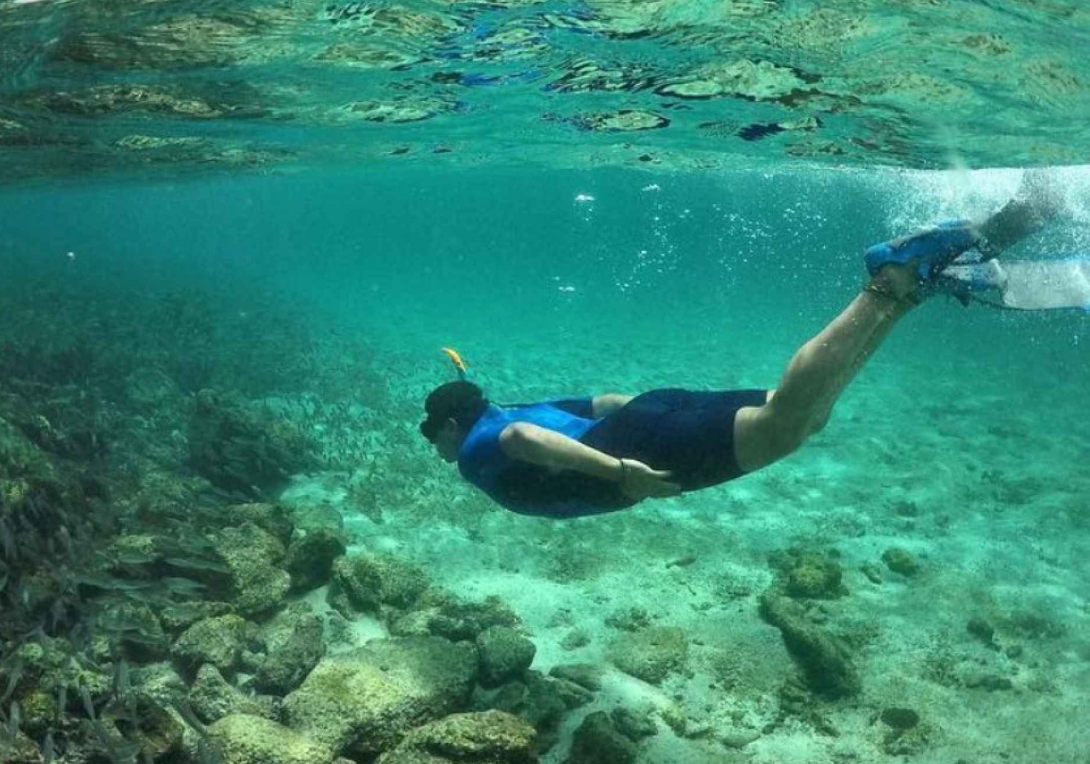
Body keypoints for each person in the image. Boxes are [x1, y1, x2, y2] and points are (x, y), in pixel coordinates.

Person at [419, 199, 1058, 518]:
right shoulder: (509, 404)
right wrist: (651, 421)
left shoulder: (477, 449)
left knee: (785, 424)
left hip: (635, 447)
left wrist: (620, 471)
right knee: (807, 419)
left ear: (452, 424)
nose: (435, 446)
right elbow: (608, 400)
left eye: (433, 435)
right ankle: (911, 290)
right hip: (645, 413)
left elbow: (526, 440)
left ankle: (890, 279)